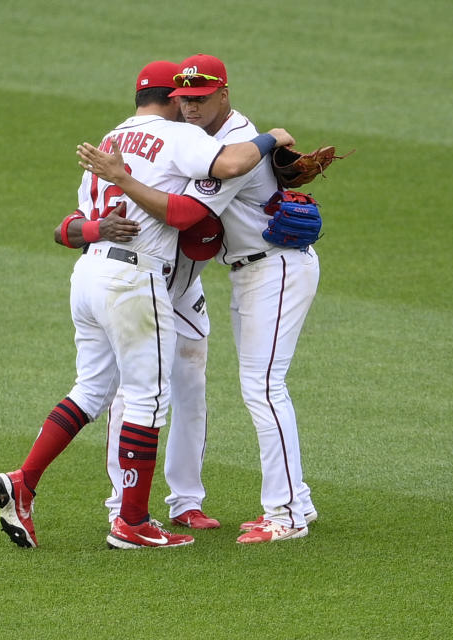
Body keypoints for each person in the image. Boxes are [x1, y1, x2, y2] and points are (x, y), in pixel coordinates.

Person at [0, 59, 294, 550]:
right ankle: (131, 523)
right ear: (173, 99)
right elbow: (230, 167)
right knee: (149, 399)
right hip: (135, 278)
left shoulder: (109, 140)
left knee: (90, 391)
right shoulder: (178, 136)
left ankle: (24, 480)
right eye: (185, 99)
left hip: (88, 272)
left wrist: (96, 230)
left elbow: (69, 224)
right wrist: (271, 138)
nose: (191, 107)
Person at [77, 54, 320, 544]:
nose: (189, 107)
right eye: (184, 98)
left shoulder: (233, 144)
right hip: (229, 274)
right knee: (180, 383)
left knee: (264, 387)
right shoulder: (199, 140)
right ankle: (147, 505)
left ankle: (290, 512)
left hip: (273, 268)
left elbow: (186, 212)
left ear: (223, 94)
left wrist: (273, 136)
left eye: (201, 98)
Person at [55, 204, 222, 531]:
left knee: (191, 387)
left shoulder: (210, 165)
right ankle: (122, 504)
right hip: (134, 283)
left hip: (182, 289)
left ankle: (186, 501)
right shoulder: (127, 172)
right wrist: (98, 228)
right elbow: (64, 230)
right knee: (130, 393)